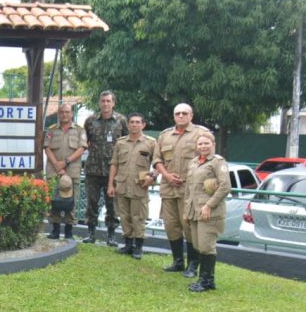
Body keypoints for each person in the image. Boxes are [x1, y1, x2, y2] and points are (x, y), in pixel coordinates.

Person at [153, 103, 210, 276]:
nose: (181, 116)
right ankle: (177, 261)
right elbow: (157, 160)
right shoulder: (164, 136)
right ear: (173, 116)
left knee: (190, 227)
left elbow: (208, 159)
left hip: (190, 190)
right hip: (168, 188)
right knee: (171, 225)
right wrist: (167, 176)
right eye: (177, 113)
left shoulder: (201, 134)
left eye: (184, 113)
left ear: (191, 116)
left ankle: (193, 264)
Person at [184, 133, 230, 292]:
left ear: (213, 144)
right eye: (200, 144)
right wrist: (186, 211)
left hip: (209, 212)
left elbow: (225, 186)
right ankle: (205, 279)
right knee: (198, 245)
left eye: (206, 143)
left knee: (206, 246)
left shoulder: (218, 162)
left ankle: (206, 280)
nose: (203, 146)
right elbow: (189, 189)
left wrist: (209, 206)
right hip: (195, 211)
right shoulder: (194, 162)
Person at [107, 113, 155, 259]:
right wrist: (110, 184)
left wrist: (152, 177)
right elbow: (114, 164)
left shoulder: (150, 143)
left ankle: (138, 247)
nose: (134, 125)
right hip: (122, 185)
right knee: (124, 216)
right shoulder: (121, 143)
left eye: (137, 122)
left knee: (138, 217)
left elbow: (158, 164)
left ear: (143, 125)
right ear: (127, 125)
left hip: (139, 187)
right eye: (132, 122)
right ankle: (128, 244)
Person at [83, 91, 128, 245]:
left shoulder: (121, 121)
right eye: (103, 101)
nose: (105, 104)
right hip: (93, 170)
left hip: (113, 170)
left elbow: (127, 142)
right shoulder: (90, 121)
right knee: (91, 203)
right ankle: (90, 233)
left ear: (113, 103)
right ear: (99, 103)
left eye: (108, 101)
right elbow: (85, 142)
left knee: (112, 205)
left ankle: (111, 236)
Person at [43, 103, 87, 239]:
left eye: (67, 112)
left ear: (72, 114)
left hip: (72, 169)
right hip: (54, 169)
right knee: (54, 199)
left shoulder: (80, 130)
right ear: (58, 114)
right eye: (62, 112)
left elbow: (81, 149)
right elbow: (46, 147)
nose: (64, 114)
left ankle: (68, 232)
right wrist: (57, 164)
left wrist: (66, 162)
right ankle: (55, 230)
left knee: (71, 201)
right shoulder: (52, 130)